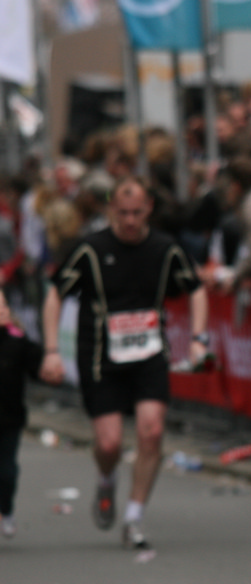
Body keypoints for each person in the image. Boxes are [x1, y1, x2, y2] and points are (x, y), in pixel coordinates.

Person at [39, 176, 209, 551]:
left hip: (149, 353)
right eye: (123, 212)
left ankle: (133, 517)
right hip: (100, 356)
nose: (130, 220)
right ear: (110, 209)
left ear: (149, 209)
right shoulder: (90, 248)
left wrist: (199, 339)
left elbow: (196, 289)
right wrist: (51, 350)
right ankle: (106, 478)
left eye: (137, 212)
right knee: (110, 443)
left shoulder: (165, 248)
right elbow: (55, 294)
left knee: (151, 431)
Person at [0, 289, 45, 539]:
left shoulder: (18, 342)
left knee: (7, 472)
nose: (2, 310)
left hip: (9, 419)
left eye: (4, 305)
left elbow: (38, 369)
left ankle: (6, 510)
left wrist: (50, 368)